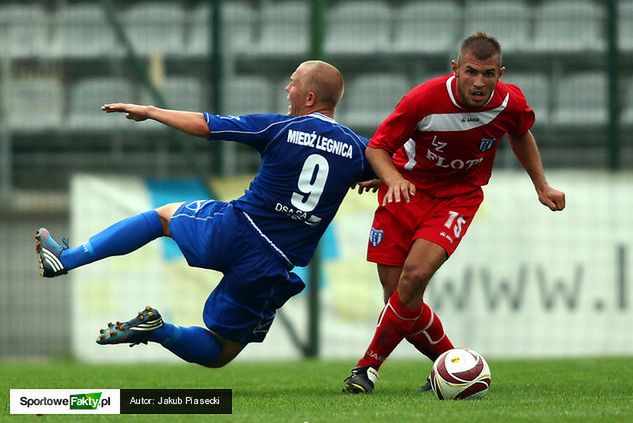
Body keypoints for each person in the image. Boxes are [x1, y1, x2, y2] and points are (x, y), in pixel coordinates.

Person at [35, 60, 376, 368]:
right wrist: (377, 176)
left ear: (311, 97)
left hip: (234, 230)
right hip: (269, 263)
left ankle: (66, 259)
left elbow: (206, 125)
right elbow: (399, 166)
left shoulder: (278, 128)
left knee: (162, 218)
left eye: (293, 82)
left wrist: (152, 111)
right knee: (220, 352)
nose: (287, 89)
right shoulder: (360, 150)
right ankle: (161, 331)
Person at [343, 33, 566, 394]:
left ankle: (367, 367)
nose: (479, 83)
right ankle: (455, 366)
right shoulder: (424, 99)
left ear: (500, 73)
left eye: (489, 74)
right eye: (471, 72)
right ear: (455, 69)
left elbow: (521, 133)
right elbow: (378, 148)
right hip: (405, 193)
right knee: (399, 300)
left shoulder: (509, 103)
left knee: (413, 279)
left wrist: (542, 186)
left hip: (456, 198)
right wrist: (392, 177)